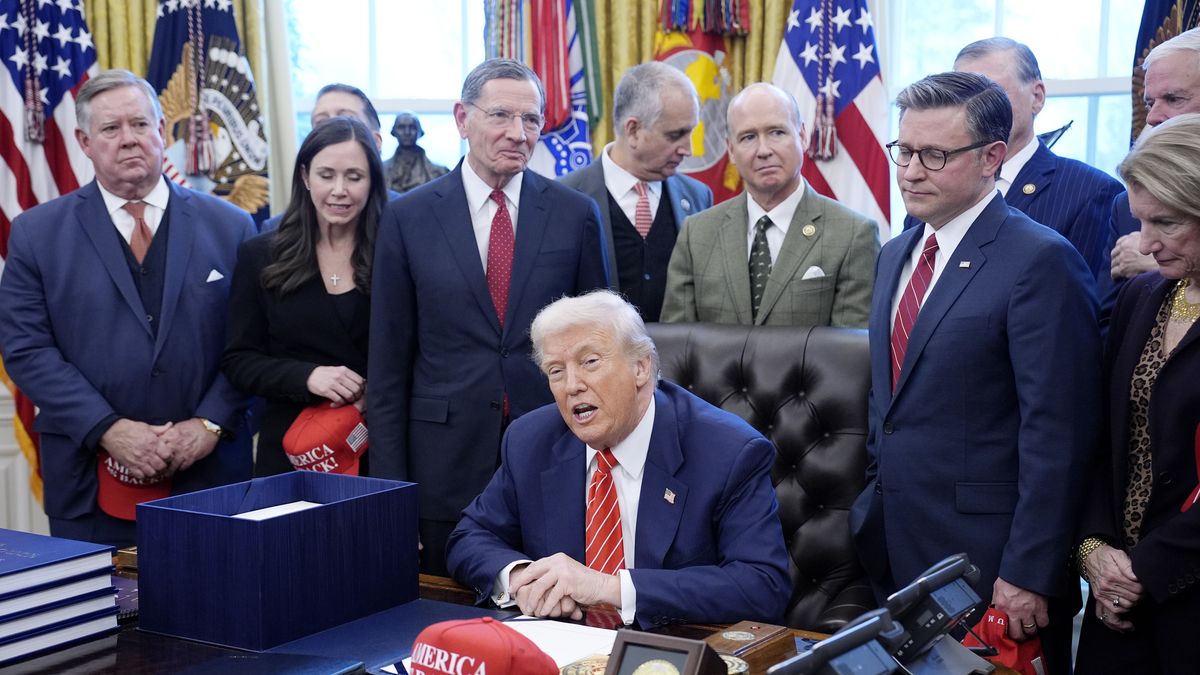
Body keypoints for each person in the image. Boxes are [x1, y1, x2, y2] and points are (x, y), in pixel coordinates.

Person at [848, 72, 1101, 675]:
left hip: (991, 570)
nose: (909, 171)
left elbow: (1058, 435)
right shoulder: (896, 253)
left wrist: (1029, 571)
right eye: (903, 150)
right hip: (893, 545)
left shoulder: (1040, 260)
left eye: (934, 155)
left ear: (992, 158)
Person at [369, 58, 609, 575]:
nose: (518, 134)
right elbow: (387, 371)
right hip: (441, 465)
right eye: (501, 116)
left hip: (555, 453)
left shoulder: (574, 214)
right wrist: (391, 499)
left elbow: (602, 349)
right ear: (462, 118)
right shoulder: (407, 218)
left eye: (531, 120)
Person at [0, 70, 254, 547]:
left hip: (211, 475)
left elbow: (254, 342)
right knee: (102, 619)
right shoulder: (37, 234)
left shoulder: (232, 226)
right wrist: (109, 429)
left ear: (162, 130)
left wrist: (209, 423)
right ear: (84, 142)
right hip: (87, 481)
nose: (129, 140)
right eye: (111, 129)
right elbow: (26, 349)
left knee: (216, 616)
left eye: (140, 124)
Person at [446, 290, 790, 627]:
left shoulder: (728, 452)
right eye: (556, 371)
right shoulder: (531, 441)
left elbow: (762, 585)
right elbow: (470, 536)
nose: (572, 386)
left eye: (590, 362)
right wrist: (524, 579)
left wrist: (608, 588)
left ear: (641, 367)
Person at [1074, 113, 1200, 674]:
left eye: (1166, 223)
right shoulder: (1140, 297)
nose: (1145, 244)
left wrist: (1143, 570)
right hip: (1116, 609)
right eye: (1139, 221)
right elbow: (1101, 438)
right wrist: (1096, 550)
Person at [222, 117, 385, 475]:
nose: (339, 190)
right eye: (326, 175)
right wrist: (308, 377)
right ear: (304, 177)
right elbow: (239, 360)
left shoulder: (396, 253)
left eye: (354, 177)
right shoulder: (261, 255)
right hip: (291, 452)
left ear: (372, 182)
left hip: (379, 448)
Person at [661, 83, 878, 328]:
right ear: (731, 150)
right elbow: (678, 349)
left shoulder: (853, 235)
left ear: (803, 136)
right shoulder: (696, 234)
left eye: (777, 132)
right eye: (748, 137)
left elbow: (850, 356)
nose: (763, 150)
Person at [904, 38, 1122, 281]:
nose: (974, 108)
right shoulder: (928, 186)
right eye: (959, 97)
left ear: (1037, 96)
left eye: (993, 93)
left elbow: (1084, 308)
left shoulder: (1089, 192)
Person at [559, 62, 712, 322]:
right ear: (633, 130)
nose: (688, 149)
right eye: (675, 135)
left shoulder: (698, 197)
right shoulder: (564, 199)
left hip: (679, 360)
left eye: (690, 133)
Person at [1103, 27, 1200, 323]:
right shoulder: (1125, 204)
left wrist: (1160, 270)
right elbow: (1107, 324)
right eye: (1149, 102)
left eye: (1173, 98)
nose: (1153, 117)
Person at [262, 83, 400, 232]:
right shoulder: (275, 232)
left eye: (348, 119)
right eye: (321, 122)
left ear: (376, 142)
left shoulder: (403, 217)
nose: (334, 128)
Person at [385, 111, 450, 194]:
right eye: (401, 127)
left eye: (412, 127)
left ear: (420, 132)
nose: (407, 132)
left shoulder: (440, 172)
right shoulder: (382, 170)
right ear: (394, 132)